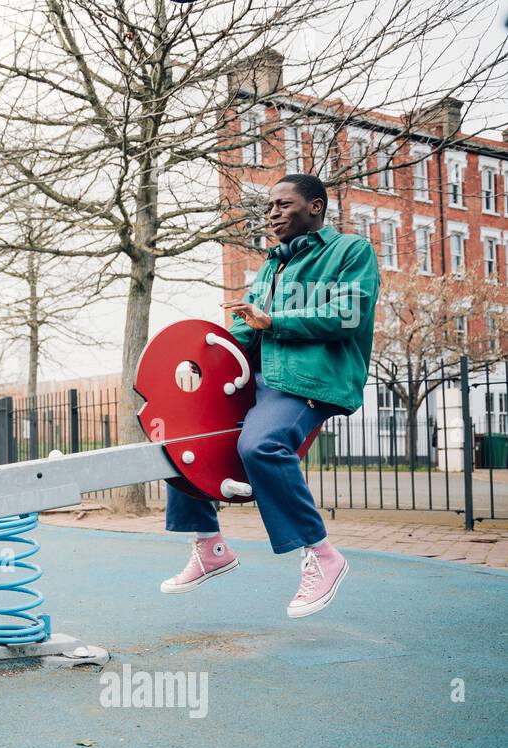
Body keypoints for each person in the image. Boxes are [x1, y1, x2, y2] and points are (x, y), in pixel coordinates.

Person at [160, 173, 379, 618]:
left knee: (261, 445)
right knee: (182, 436)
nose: (272, 214)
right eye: (269, 208)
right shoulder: (271, 267)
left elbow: (349, 314)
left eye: (283, 205)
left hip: (310, 380)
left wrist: (273, 322)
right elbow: (245, 329)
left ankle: (322, 554)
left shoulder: (351, 251)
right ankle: (208, 546)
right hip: (261, 379)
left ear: (315, 207)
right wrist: (199, 362)